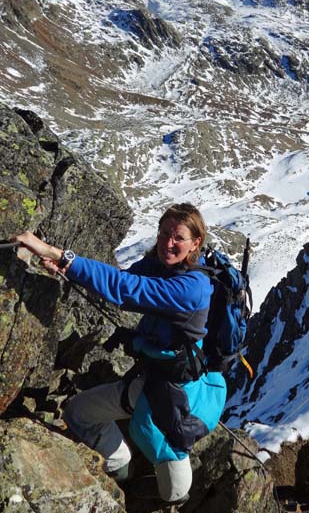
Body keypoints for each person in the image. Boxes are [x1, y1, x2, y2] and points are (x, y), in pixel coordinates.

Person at [14, 203, 227, 508]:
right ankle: (121, 469)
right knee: (78, 412)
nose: (168, 243)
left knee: (168, 452)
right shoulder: (160, 266)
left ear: (196, 243)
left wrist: (58, 252)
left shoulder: (191, 288)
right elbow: (121, 281)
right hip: (153, 377)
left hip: (172, 390)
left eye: (178, 237)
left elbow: (125, 288)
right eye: (164, 233)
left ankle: (170, 502)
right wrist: (65, 267)